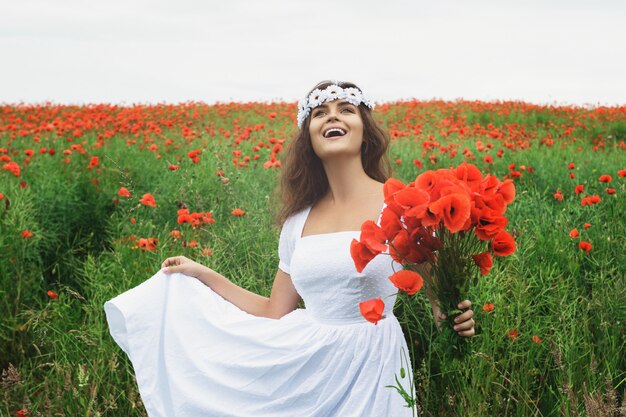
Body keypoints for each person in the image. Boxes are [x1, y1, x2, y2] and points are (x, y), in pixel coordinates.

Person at [104, 80, 475, 417]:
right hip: (308, 372)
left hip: (373, 366)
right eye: (320, 113)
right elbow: (272, 311)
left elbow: (439, 304)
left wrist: (457, 321)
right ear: (309, 137)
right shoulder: (298, 221)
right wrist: (202, 274)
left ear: (365, 130)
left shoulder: (399, 203)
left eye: (346, 109)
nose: (334, 116)